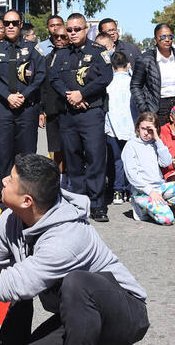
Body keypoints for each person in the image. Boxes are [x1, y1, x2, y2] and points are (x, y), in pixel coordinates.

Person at [0, 153, 149, 345]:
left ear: (27, 201)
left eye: (10, 180)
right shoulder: (11, 219)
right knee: (22, 290)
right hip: (80, 317)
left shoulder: (67, 238)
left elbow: (15, 284)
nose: (3, 180)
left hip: (124, 314)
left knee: (74, 282)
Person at [53, 12, 113, 221]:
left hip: (91, 112)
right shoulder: (60, 54)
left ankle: (97, 205)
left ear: (86, 29)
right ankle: (78, 202)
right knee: (73, 158)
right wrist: (70, 96)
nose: (72, 33)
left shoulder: (98, 51)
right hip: (69, 113)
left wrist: (83, 94)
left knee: (95, 157)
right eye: (69, 29)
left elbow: (106, 77)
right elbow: (54, 79)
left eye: (77, 29)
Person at [0, 10, 45, 207]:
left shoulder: (33, 49)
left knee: (27, 155)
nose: (10, 26)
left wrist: (24, 95)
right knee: (3, 154)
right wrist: (8, 95)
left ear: (20, 25)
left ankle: (26, 197)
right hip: (3, 108)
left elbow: (41, 74)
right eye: (7, 23)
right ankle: (6, 200)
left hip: (26, 108)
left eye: (14, 23)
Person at [120, 112, 175, 226]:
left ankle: (162, 204)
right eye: (143, 129)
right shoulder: (131, 145)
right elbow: (132, 175)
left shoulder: (155, 143)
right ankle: (141, 206)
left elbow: (166, 162)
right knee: (167, 220)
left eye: (150, 129)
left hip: (160, 188)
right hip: (143, 191)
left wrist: (157, 139)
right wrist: (150, 192)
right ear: (137, 128)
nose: (146, 133)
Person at [130, 22, 175, 128]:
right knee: (159, 140)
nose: (167, 40)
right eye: (162, 37)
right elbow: (135, 86)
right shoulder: (145, 59)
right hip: (157, 107)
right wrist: (145, 109)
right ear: (155, 40)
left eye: (170, 37)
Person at [104, 51, 134, 205]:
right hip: (131, 127)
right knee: (130, 159)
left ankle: (117, 191)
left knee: (116, 160)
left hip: (112, 128)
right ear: (128, 64)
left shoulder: (108, 83)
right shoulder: (132, 83)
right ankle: (130, 190)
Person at [39, 25, 71, 173]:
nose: (59, 39)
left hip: (71, 110)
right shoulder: (47, 59)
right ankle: (59, 180)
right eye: (55, 37)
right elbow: (42, 86)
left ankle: (71, 181)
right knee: (55, 148)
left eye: (63, 37)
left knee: (71, 147)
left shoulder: (74, 56)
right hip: (52, 110)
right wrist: (42, 110)